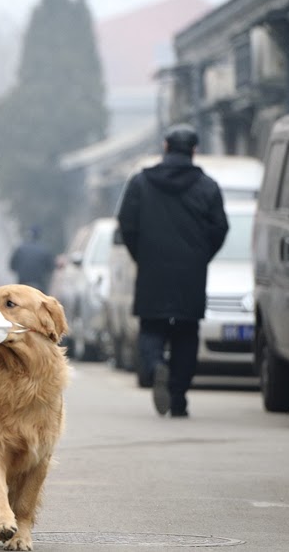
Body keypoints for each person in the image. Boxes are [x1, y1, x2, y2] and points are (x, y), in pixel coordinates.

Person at [117, 124, 228, 418]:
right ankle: (178, 398)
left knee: (152, 327)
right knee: (186, 334)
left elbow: (126, 223)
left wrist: (141, 255)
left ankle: (155, 367)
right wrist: (201, 256)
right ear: (194, 151)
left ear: (165, 147)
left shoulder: (141, 182)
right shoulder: (208, 186)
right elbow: (219, 228)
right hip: (190, 274)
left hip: (152, 270)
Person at [9, 226, 55, 292]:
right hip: (39, 286)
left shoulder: (20, 249)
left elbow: (12, 266)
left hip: (22, 285)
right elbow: (51, 268)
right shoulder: (44, 250)